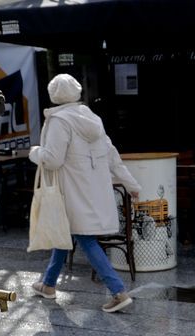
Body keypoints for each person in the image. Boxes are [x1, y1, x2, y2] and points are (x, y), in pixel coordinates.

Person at [29, 74, 142, 313]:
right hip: (94, 192)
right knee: (67, 232)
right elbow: (113, 157)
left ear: (53, 94)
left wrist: (35, 152)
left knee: (84, 238)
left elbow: (52, 160)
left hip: (71, 192)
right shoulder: (93, 119)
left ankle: (118, 291)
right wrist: (132, 186)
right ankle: (48, 284)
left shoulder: (59, 121)